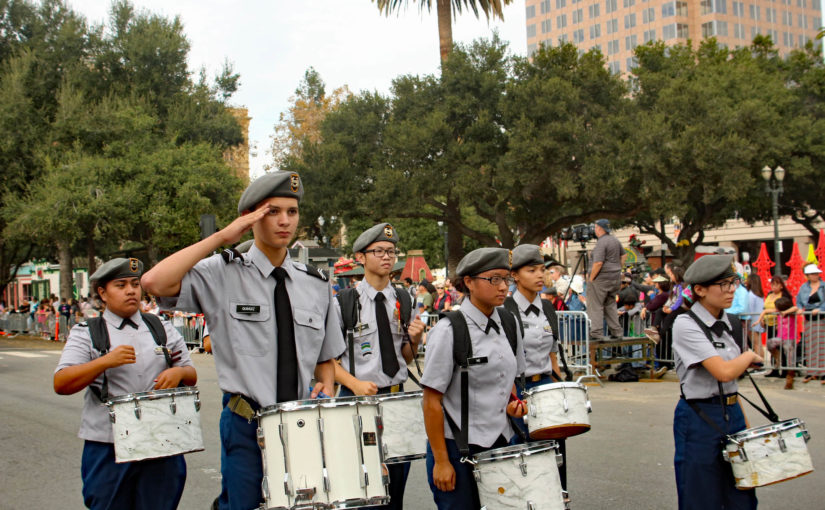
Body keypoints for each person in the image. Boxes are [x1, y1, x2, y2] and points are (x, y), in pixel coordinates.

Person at [141, 171, 346, 510]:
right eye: (272, 212)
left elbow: (326, 357)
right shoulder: (222, 272)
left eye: (292, 212)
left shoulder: (316, 283)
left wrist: (327, 382)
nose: (284, 221)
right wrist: (222, 236)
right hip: (247, 424)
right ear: (250, 219)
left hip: (302, 425)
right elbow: (155, 282)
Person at [54, 258, 196, 510]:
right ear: (102, 293)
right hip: (109, 446)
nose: (131, 291)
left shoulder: (159, 327)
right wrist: (104, 362)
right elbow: (62, 382)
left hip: (160, 442)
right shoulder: (88, 332)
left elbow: (190, 372)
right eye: (120, 285)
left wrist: (179, 373)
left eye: (135, 284)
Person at [421, 247, 527, 509]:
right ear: (468, 282)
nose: (504, 287)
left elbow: (510, 377)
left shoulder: (510, 323)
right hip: (457, 449)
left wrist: (514, 403)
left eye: (507, 279)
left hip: (501, 442)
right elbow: (432, 401)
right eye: (494, 279)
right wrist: (442, 461)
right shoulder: (449, 330)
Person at [333, 223, 426, 510]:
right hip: (357, 401)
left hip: (396, 400)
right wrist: (354, 384)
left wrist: (416, 340)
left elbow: (403, 358)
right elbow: (326, 362)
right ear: (360, 257)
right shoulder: (344, 303)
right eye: (379, 252)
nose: (387, 257)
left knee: (395, 490)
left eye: (391, 251)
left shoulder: (404, 299)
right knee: (362, 490)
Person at [672, 255, 762, 510]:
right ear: (699, 290)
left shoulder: (729, 322)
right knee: (701, 497)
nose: (732, 290)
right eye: (723, 284)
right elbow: (723, 372)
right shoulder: (685, 324)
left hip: (731, 410)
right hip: (700, 416)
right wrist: (749, 355)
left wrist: (743, 425)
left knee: (742, 494)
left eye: (733, 282)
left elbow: (731, 384)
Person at [504, 244, 569, 498]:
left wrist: (559, 389)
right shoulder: (505, 311)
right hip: (518, 390)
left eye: (543, 270)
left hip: (546, 388)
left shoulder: (549, 309)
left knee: (554, 456)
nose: (541, 275)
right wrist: (512, 399)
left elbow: (552, 356)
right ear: (515, 276)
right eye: (532, 270)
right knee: (524, 459)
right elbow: (504, 362)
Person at [587, 219, 624, 340]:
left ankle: (596, 332)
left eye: (596, 228)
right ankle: (617, 332)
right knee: (610, 303)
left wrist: (591, 278)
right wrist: (618, 268)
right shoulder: (615, 240)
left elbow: (598, 262)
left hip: (601, 278)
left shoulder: (601, 243)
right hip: (615, 277)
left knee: (595, 305)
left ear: (599, 228)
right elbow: (623, 255)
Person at [797, 264, 825, 384]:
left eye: (816, 273)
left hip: (821, 318)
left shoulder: (823, 286)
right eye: (813, 274)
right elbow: (799, 301)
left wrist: (820, 309)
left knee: (822, 345)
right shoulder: (804, 288)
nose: (815, 276)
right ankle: (811, 371)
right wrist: (799, 308)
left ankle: (823, 372)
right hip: (808, 319)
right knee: (809, 345)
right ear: (807, 276)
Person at [765, 296, 798, 389]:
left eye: (777, 307)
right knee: (769, 343)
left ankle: (790, 378)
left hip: (789, 339)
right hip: (780, 338)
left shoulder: (791, 314)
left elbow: (796, 308)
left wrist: (785, 312)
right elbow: (766, 311)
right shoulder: (778, 313)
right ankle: (777, 358)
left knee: (790, 359)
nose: (776, 309)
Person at [744, 274, 765, 359]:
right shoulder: (759, 294)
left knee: (756, 344)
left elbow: (750, 310)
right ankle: (761, 361)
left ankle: (760, 363)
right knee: (758, 343)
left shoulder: (750, 295)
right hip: (759, 320)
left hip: (753, 322)